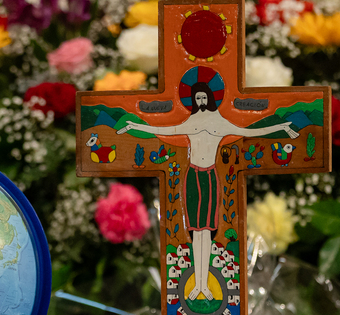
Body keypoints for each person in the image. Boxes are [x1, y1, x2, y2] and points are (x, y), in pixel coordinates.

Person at [118, 77, 297, 300]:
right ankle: (198, 285)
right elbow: (165, 129)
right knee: (195, 231)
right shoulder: (191, 121)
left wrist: (281, 126)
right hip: (192, 177)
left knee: (207, 232)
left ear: (210, 98)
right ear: (193, 101)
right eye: (197, 98)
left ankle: (204, 285)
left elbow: (250, 131)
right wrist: (135, 125)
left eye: (204, 97)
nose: (201, 101)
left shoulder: (220, 122)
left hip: (210, 177)